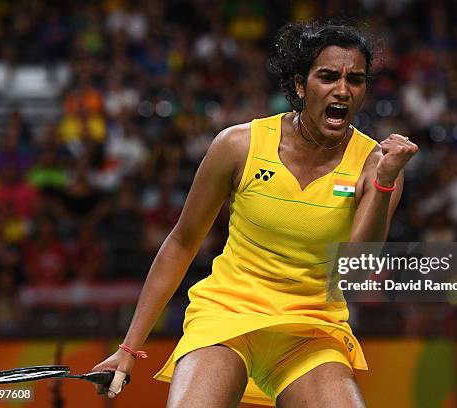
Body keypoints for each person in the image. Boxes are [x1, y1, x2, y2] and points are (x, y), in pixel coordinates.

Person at [92, 20, 418, 407]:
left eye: (356, 80)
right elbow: (182, 242)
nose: (343, 90)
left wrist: (383, 185)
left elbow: (354, 271)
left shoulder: (376, 165)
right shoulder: (239, 145)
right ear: (301, 85)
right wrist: (128, 350)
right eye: (328, 76)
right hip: (228, 315)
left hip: (310, 329)